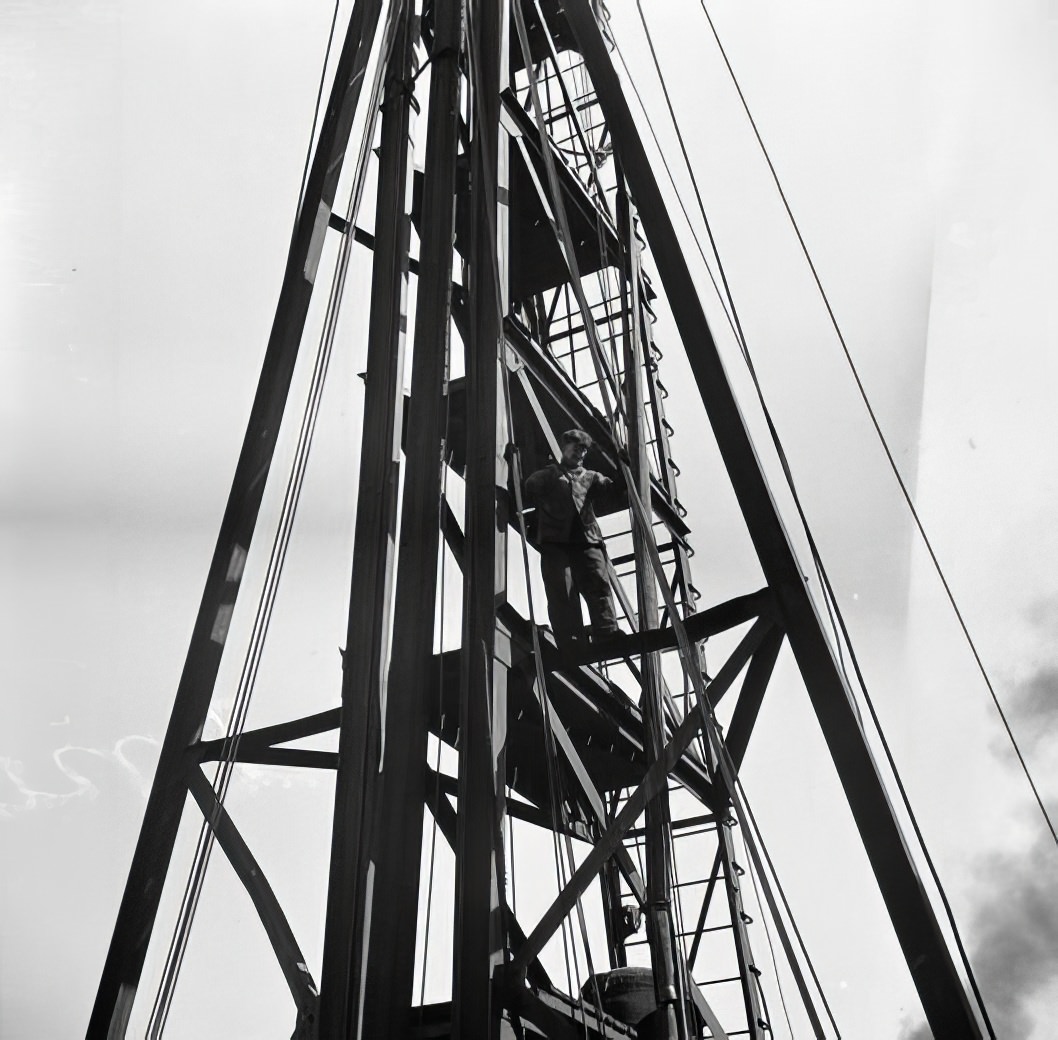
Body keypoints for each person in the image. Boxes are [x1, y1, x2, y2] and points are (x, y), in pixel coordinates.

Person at [524, 429, 621, 646]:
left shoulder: (591, 477)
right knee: (561, 589)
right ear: (564, 447)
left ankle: (606, 631)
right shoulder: (548, 475)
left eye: (583, 450)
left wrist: (624, 468)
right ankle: (570, 639)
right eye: (576, 448)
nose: (580, 454)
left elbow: (614, 490)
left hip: (587, 539)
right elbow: (529, 487)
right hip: (556, 542)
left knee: (598, 582)